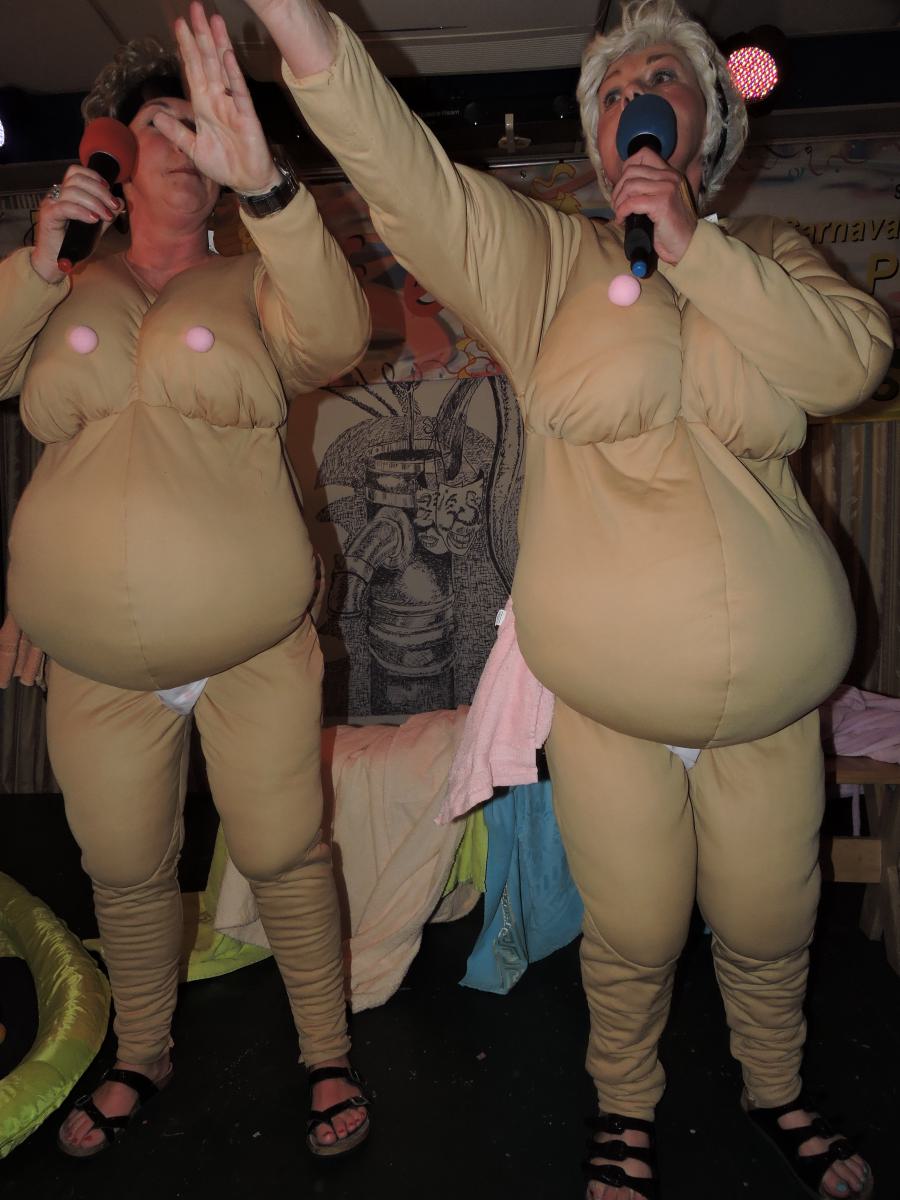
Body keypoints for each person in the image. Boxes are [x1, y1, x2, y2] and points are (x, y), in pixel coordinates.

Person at [231, 0, 893, 1196]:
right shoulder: (545, 265)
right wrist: (308, 41)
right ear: (595, 142)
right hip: (612, 704)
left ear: (711, 122)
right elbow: (418, 189)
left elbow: (849, 362)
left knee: (771, 922)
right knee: (634, 930)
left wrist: (695, 249)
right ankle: (624, 1107)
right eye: (611, 91)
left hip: (773, 704)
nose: (634, 96)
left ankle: (779, 1088)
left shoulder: (774, 253)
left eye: (661, 77)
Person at [0, 5, 373, 1159]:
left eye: (200, 121)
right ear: (112, 147)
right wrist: (39, 258)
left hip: (249, 644)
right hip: (91, 659)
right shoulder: (62, 283)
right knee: (121, 865)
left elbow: (339, 335)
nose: (180, 140)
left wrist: (273, 195)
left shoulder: (257, 282)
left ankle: (326, 1053)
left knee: (284, 849)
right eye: (158, 120)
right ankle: (142, 1051)